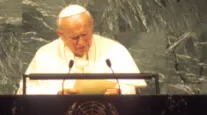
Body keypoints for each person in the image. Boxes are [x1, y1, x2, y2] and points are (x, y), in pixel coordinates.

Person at [18, 5, 146, 95]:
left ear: (92, 27)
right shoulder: (45, 54)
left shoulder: (114, 50)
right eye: (74, 38)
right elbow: (26, 90)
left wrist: (121, 91)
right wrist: (57, 94)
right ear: (60, 34)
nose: (81, 42)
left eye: (85, 35)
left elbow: (134, 88)